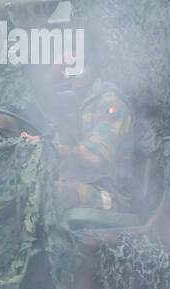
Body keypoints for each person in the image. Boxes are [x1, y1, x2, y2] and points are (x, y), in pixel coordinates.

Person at [48, 64, 135, 211]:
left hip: (109, 194)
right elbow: (55, 143)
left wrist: (55, 150)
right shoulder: (76, 105)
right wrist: (38, 143)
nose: (68, 74)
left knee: (46, 192)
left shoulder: (111, 104)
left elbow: (94, 157)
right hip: (80, 184)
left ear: (91, 69)